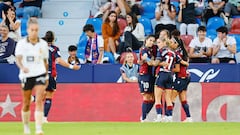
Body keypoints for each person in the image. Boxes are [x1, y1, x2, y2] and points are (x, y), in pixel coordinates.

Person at [15, 18, 48, 135]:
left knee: (39, 99)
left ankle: (39, 129)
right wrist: (22, 67)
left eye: (36, 30)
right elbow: (18, 59)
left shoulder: (43, 44)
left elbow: (45, 62)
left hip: (39, 73)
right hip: (26, 74)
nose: (34, 32)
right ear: (28, 30)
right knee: (26, 102)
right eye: (32, 30)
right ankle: (26, 127)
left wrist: (47, 77)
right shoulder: (21, 44)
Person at [42, 31, 81, 123]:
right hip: (50, 73)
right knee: (49, 95)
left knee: (43, 93)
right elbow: (58, 60)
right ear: (53, 38)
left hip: (39, 73)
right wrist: (72, 66)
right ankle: (44, 118)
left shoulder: (39, 47)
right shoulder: (54, 49)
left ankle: (33, 99)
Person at [171, 31, 192, 122]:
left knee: (171, 98)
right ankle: (189, 117)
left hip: (180, 77)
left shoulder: (177, 54)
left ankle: (168, 117)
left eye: (172, 42)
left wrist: (167, 68)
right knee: (183, 99)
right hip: (185, 77)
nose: (170, 44)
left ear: (176, 44)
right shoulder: (182, 51)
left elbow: (177, 69)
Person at [138, 35, 155, 122]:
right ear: (146, 40)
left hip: (150, 75)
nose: (151, 42)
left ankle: (144, 115)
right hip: (144, 74)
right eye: (150, 40)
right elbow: (148, 62)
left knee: (153, 98)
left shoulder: (150, 51)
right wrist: (152, 61)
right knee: (146, 96)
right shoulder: (144, 50)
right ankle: (144, 118)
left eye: (153, 41)